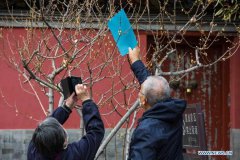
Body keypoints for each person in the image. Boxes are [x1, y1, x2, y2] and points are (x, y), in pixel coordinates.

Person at [127, 47, 187, 160]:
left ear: (143, 100)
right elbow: (152, 86)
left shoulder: (146, 130)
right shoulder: (174, 115)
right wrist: (135, 61)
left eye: (140, 92)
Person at [27, 84, 105, 160]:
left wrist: (66, 107)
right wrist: (86, 100)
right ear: (64, 142)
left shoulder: (33, 152)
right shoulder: (75, 155)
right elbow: (96, 131)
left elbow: (49, 125)